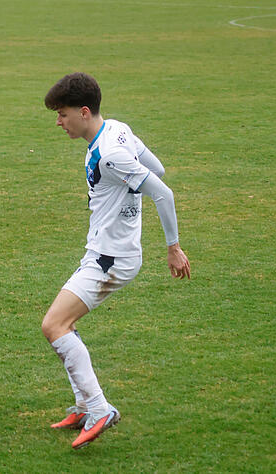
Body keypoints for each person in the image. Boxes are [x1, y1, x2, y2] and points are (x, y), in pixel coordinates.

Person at [41, 72, 191, 449]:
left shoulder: (109, 154)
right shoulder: (117, 130)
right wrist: (127, 200)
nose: (58, 121)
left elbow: (163, 192)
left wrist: (173, 247)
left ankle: (99, 408)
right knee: (64, 324)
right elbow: (154, 168)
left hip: (112, 258)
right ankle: (83, 404)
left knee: (54, 325)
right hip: (107, 250)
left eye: (62, 114)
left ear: (85, 112)